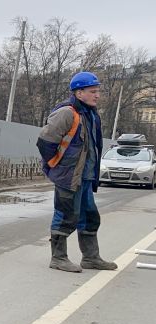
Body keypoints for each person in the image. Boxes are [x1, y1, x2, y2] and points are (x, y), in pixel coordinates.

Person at [36, 71, 118, 272]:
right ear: (79, 93)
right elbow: (45, 142)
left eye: (98, 91)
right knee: (65, 216)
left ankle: (91, 258)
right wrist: (57, 166)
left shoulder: (91, 114)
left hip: (86, 176)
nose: (97, 95)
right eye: (93, 91)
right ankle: (58, 258)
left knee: (90, 217)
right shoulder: (67, 113)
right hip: (68, 176)